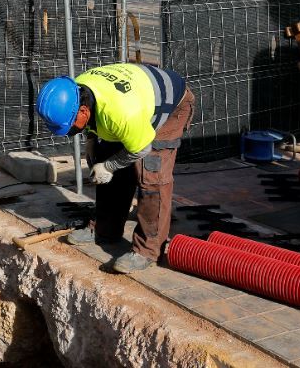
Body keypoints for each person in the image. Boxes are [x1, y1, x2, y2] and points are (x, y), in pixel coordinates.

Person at [36, 62, 194, 273]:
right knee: (109, 158)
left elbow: (142, 148)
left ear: (83, 111)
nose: (69, 132)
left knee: (151, 174)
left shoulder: (121, 113)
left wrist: (109, 166)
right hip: (136, 100)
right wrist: (92, 142)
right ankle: (105, 230)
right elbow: (94, 118)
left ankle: (147, 250)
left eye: (70, 127)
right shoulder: (80, 88)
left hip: (171, 105)